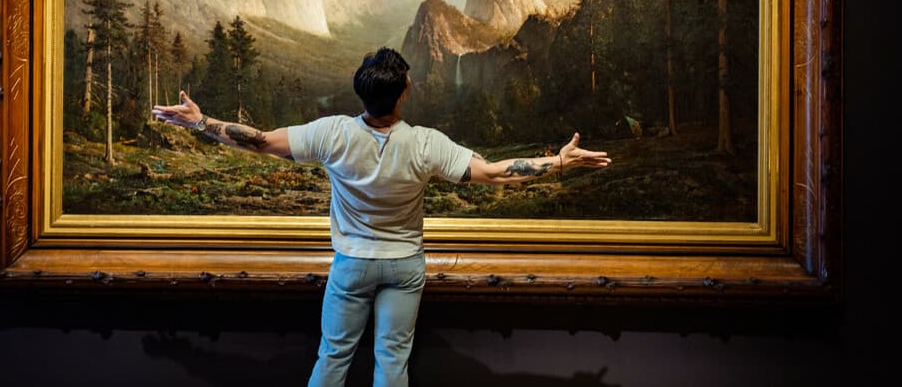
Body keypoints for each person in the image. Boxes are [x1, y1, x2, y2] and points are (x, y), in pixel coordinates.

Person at [152, 46, 611, 387]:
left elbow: (258, 141)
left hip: (351, 263)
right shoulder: (427, 143)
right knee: (392, 363)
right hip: (404, 266)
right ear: (403, 93)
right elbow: (496, 174)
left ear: (361, 91)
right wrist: (562, 161)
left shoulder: (332, 134)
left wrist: (199, 121)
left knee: (333, 358)